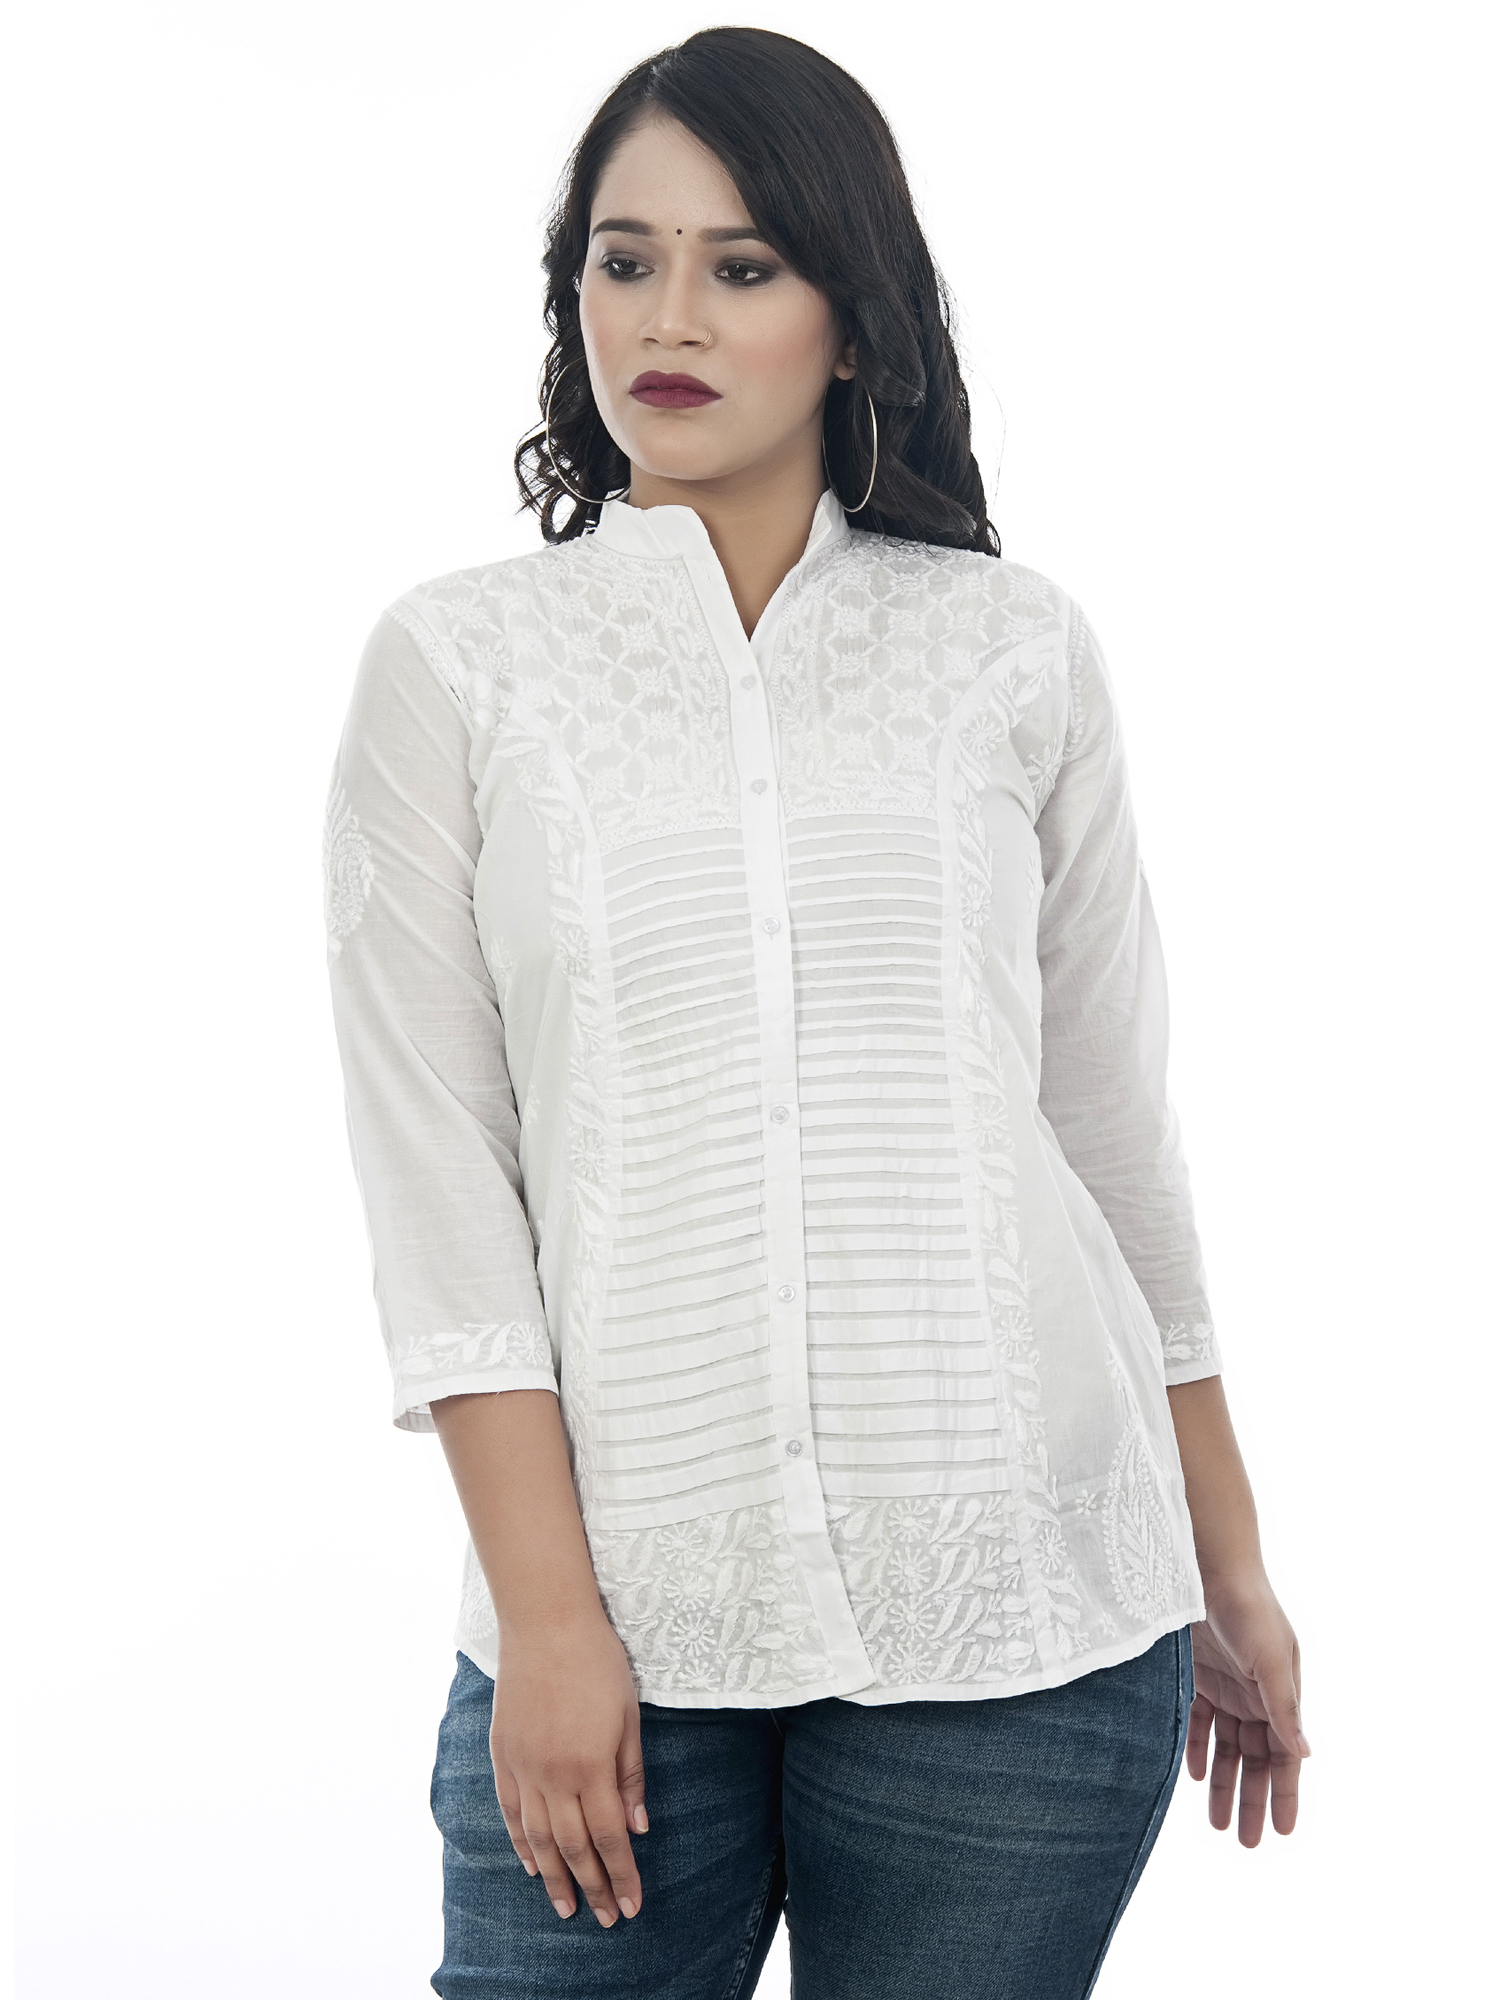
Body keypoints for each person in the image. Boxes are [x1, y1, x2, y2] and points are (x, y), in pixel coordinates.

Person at [323, 27, 1308, 1999]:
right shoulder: (459, 668)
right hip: (619, 1621)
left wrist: (1233, 1560)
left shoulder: (1013, 651)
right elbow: (443, 1185)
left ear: (855, 319)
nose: (668, 317)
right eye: (624, 260)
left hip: (1028, 1622)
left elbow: (1110, 1129)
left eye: (745, 265)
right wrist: (550, 1626)